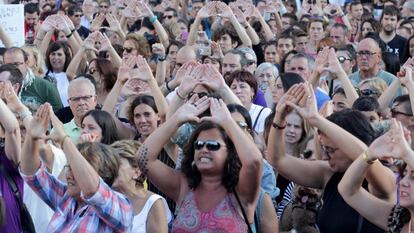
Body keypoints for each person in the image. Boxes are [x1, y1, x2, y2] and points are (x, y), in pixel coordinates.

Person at [268, 83, 395, 233]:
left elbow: (363, 154)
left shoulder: (383, 178)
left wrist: (317, 119)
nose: (324, 156)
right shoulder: (328, 173)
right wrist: (279, 118)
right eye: (324, 148)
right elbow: (278, 160)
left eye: (331, 150)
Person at [137, 96, 262, 232]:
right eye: (199, 145)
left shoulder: (241, 191)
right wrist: (176, 119)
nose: (204, 149)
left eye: (213, 145)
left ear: (230, 153)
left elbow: (254, 161)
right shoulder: (183, 186)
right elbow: (143, 158)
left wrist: (228, 122)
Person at [20, 103, 133, 232]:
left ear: (103, 173)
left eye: (76, 171)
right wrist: (32, 137)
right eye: (69, 168)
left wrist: (64, 139)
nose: (68, 175)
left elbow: (93, 190)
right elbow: (31, 174)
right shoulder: (67, 199)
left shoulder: (121, 206)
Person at [338, 119, 414, 233]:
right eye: (403, 175)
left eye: (413, 178)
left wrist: (406, 153)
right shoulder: (398, 219)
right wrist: (370, 154)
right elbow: (349, 191)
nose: (403, 182)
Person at [111, 140, 171, 233]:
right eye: (109, 164)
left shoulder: (153, 203)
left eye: (117, 164)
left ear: (136, 172)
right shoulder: (104, 197)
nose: (110, 169)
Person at [3, 47, 63, 112]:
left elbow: (59, 117)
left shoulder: (45, 87)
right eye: (8, 65)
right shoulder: (1, 87)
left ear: (26, 63)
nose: (13, 68)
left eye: (16, 64)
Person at [63, 77, 98, 144]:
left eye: (86, 98)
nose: (81, 103)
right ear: (69, 103)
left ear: (95, 100)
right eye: (76, 99)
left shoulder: (106, 127)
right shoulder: (59, 132)